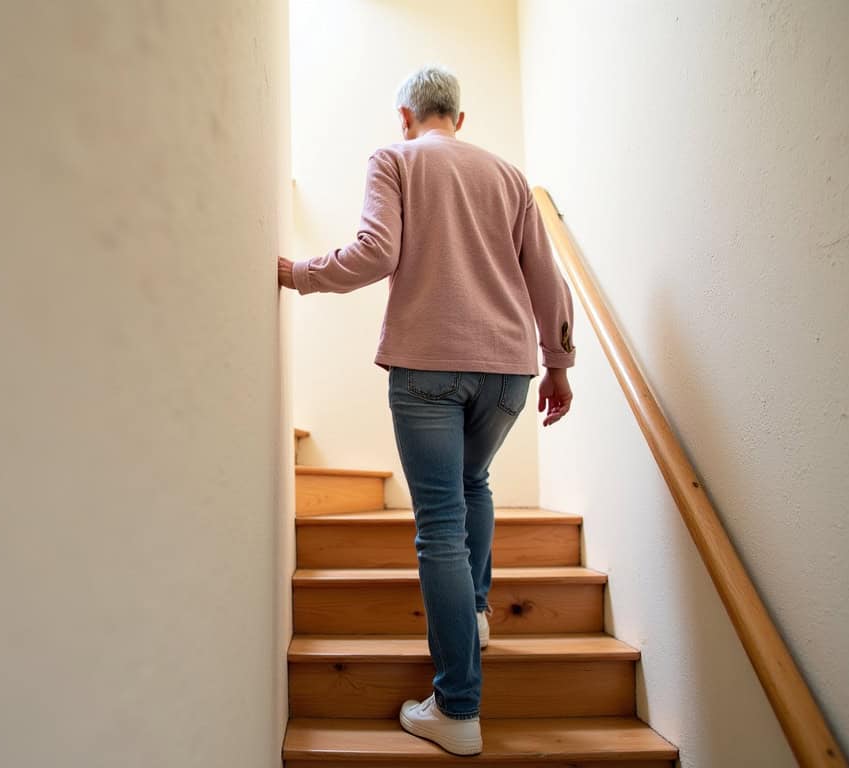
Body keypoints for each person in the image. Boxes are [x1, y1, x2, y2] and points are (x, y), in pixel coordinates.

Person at [276, 65, 576, 757]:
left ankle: (458, 710)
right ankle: (474, 613)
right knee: (473, 486)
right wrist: (558, 363)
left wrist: (301, 275)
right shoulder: (507, 175)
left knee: (440, 523)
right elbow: (547, 279)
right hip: (507, 372)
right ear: (460, 119)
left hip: (427, 368)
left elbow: (377, 253)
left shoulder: (394, 159)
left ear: (405, 116)